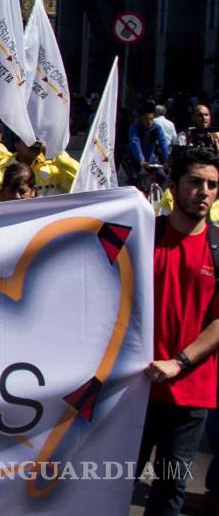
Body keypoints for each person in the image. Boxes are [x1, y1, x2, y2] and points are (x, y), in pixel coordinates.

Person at [136, 146, 219, 516]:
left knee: (170, 490)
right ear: (173, 187)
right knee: (112, 484)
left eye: (212, 185)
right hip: (134, 389)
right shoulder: (143, 237)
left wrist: (178, 362)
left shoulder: (218, 247)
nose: (204, 192)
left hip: (191, 396)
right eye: (195, 182)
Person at [128, 99, 171, 187]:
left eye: (151, 119)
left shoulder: (157, 128)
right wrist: (141, 159)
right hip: (135, 159)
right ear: (141, 118)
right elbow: (135, 142)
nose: (149, 122)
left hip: (151, 159)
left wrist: (167, 160)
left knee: (163, 177)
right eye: (146, 119)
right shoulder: (135, 127)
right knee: (137, 180)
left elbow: (163, 143)